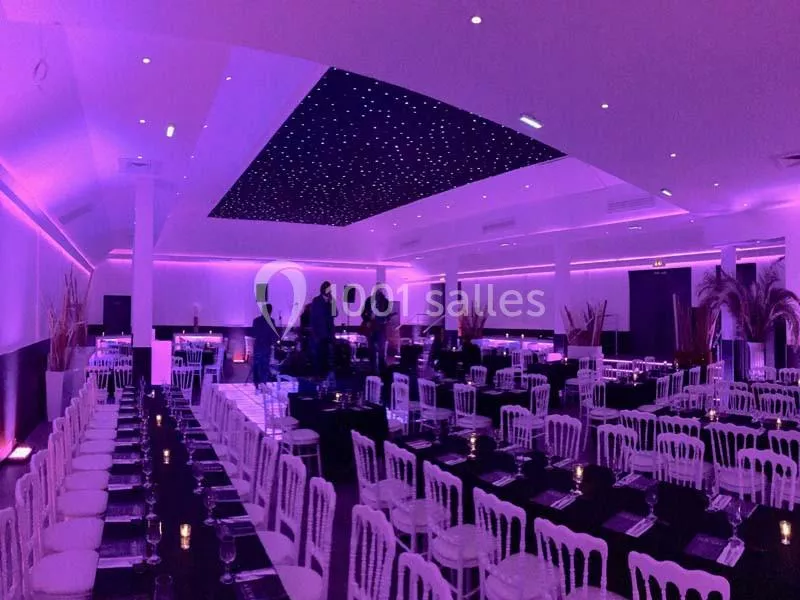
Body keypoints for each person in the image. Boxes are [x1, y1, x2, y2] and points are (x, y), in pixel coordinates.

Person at [310, 281, 337, 377]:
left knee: (328, 357)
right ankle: (319, 376)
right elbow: (313, 318)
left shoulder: (331, 301)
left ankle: (326, 376)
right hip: (320, 334)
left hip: (329, 334)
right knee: (319, 356)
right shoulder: (316, 300)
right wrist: (315, 333)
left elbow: (335, 313)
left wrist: (331, 303)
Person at [362, 288, 390, 373]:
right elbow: (363, 313)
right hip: (371, 328)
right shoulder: (369, 300)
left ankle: (382, 370)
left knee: (381, 349)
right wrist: (367, 321)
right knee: (371, 349)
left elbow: (388, 315)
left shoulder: (385, 301)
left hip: (380, 328)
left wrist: (386, 319)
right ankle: (372, 369)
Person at [251, 304, 278, 388]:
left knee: (257, 364)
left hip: (258, 345)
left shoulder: (256, 320)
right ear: (270, 312)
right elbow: (273, 334)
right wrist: (274, 343)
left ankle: (256, 383)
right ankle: (263, 383)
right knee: (265, 365)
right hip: (266, 346)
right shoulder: (271, 321)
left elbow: (253, 333)